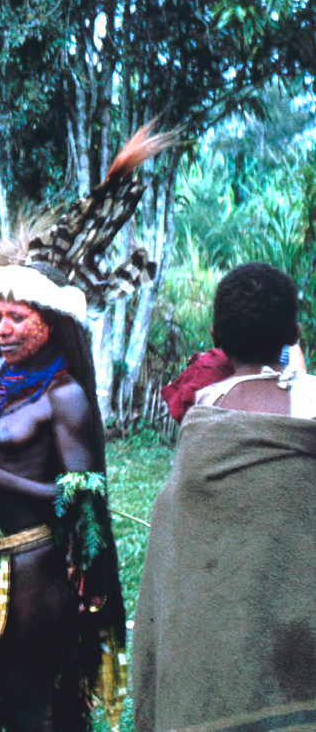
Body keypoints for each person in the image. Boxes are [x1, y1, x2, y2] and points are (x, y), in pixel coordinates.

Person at [0, 126, 173, 731]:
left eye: (18, 317)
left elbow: (83, 495)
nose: (5, 328)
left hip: (36, 570)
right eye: (0, 316)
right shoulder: (1, 379)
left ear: (53, 322)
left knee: (31, 704)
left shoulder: (64, 395)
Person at [132, 262, 316, 732]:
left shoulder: (207, 414)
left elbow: (180, 543)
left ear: (215, 332)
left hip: (221, 663)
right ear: (295, 331)